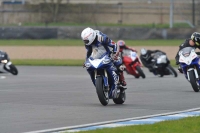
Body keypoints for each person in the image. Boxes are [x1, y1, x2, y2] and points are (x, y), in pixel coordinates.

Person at [81, 27, 126, 98]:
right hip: (98, 55)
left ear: (91, 37)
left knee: (119, 64)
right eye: (84, 40)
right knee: (88, 67)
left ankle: (122, 81)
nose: (85, 42)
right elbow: (89, 52)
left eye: (86, 40)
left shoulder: (102, 38)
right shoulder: (88, 44)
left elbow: (114, 45)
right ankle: (100, 86)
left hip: (109, 52)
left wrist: (115, 54)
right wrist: (86, 60)